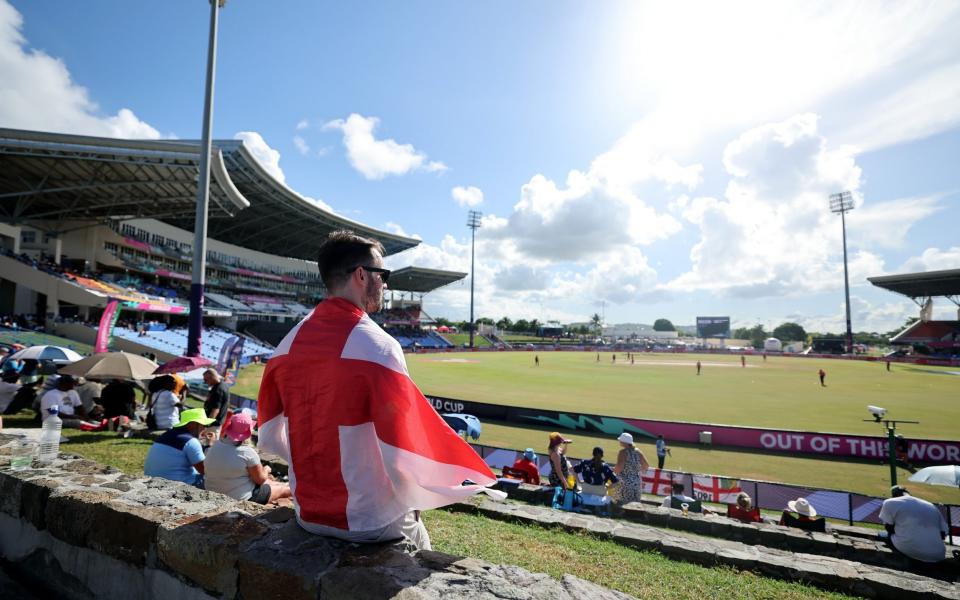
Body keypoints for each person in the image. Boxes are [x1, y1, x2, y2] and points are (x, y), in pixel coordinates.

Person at [256, 230, 496, 551]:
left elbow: (271, 437)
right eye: (382, 275)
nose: (385, 284)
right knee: (422, 548)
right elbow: (404, 448)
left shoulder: (285, 345)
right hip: (369, 521)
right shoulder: (379, 346)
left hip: (307, 513)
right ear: (361, 275)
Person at [204, 413, 292, 504]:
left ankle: (288, 485)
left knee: (273, 483)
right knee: (283, 490)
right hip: (240, 498)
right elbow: (260, 480)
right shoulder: (247, 452)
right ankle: (298, 492)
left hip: (214, 493)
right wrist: (266, 470)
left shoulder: (216, 445)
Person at [143, 408, 213, 488]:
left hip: (152, 482)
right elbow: (206, 471)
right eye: (204, 425)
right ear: (193, 424)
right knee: (216, 480)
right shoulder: (190, 441)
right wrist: (210, 445)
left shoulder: (166, 435)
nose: (205, 429)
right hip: (176, 486)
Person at [879, 486, 948, 563]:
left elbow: (889, 529)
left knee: (881, 534)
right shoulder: (931, 505)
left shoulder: (890, 502)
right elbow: (943, 535)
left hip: (910, 549)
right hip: (938, 554)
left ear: (894, 496)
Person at [612, 432, 649, 504]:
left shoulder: (623, 452)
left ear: (624, 442)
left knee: (621, 504)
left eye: (620, 440)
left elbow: (619, 468)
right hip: (637, 482)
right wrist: (635, 470)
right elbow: (646, 465)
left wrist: (612, 470)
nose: (619, 441)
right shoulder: (638, 451)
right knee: (635, 505)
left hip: (624, 482)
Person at [203, 369, 230, 433]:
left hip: (213, 425)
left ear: (212, 377)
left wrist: (207, 425)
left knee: (208, 442)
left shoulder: (218, 390)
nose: (205, 382)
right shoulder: (223, 385)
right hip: (216, 423)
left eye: (206, 380)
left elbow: (215, 410)